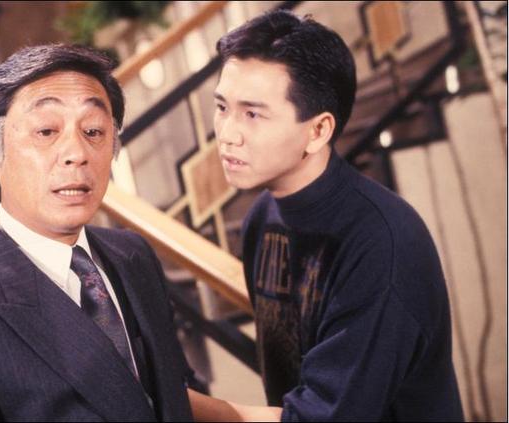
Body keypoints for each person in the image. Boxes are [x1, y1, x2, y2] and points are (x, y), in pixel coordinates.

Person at [0, 44, 193, 422]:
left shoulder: (133, 255)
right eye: (46, 131)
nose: (77, 153)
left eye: (93, 131)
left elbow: (170, 394)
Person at [189, 10, 464, 422]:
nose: (226, 134)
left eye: (252, 114)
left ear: (317, 131)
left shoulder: (383, 243)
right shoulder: (262, 218)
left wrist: (172, 402)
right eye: (222, 107)